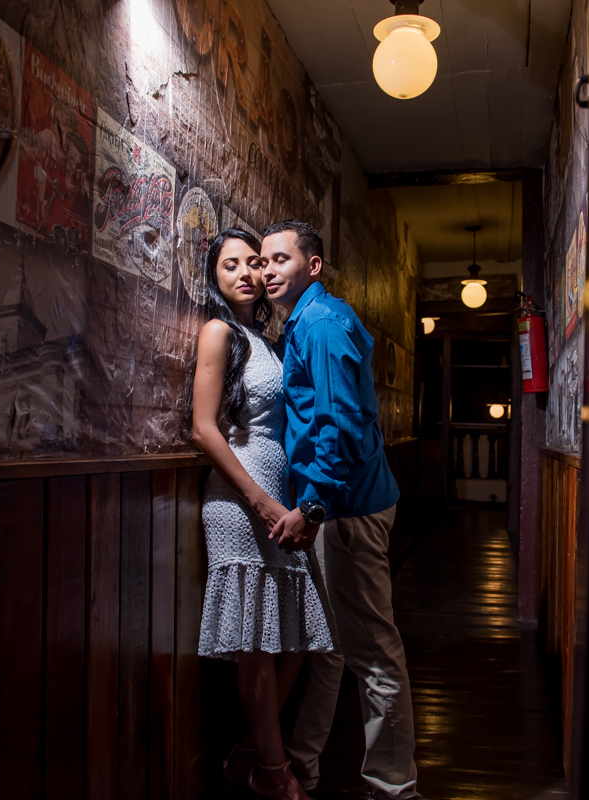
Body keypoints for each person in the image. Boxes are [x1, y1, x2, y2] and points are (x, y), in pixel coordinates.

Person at [260, 220, 422, 800]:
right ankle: (302, 767)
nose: (268, 270)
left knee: (374, 654)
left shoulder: (322, 324)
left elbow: (340, 423)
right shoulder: (305, 322)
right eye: (263, 261)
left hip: (344, 509)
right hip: (341, 507)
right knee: (329, 650)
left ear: (314, 266)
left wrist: (313, 504)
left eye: (280, 259)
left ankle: (394, 791)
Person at [186, 228, 333, 800]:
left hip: (279, 496)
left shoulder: (267, 340)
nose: (247, 273)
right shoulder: (218, 331)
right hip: (239, 497)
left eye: (253, 262)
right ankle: (275, 773)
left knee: (294, 638)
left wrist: (290, 500)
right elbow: (204, 428)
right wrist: (258, 499)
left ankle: (251, 752)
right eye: (231, 266)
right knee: (256, 640)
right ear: (214, 278)